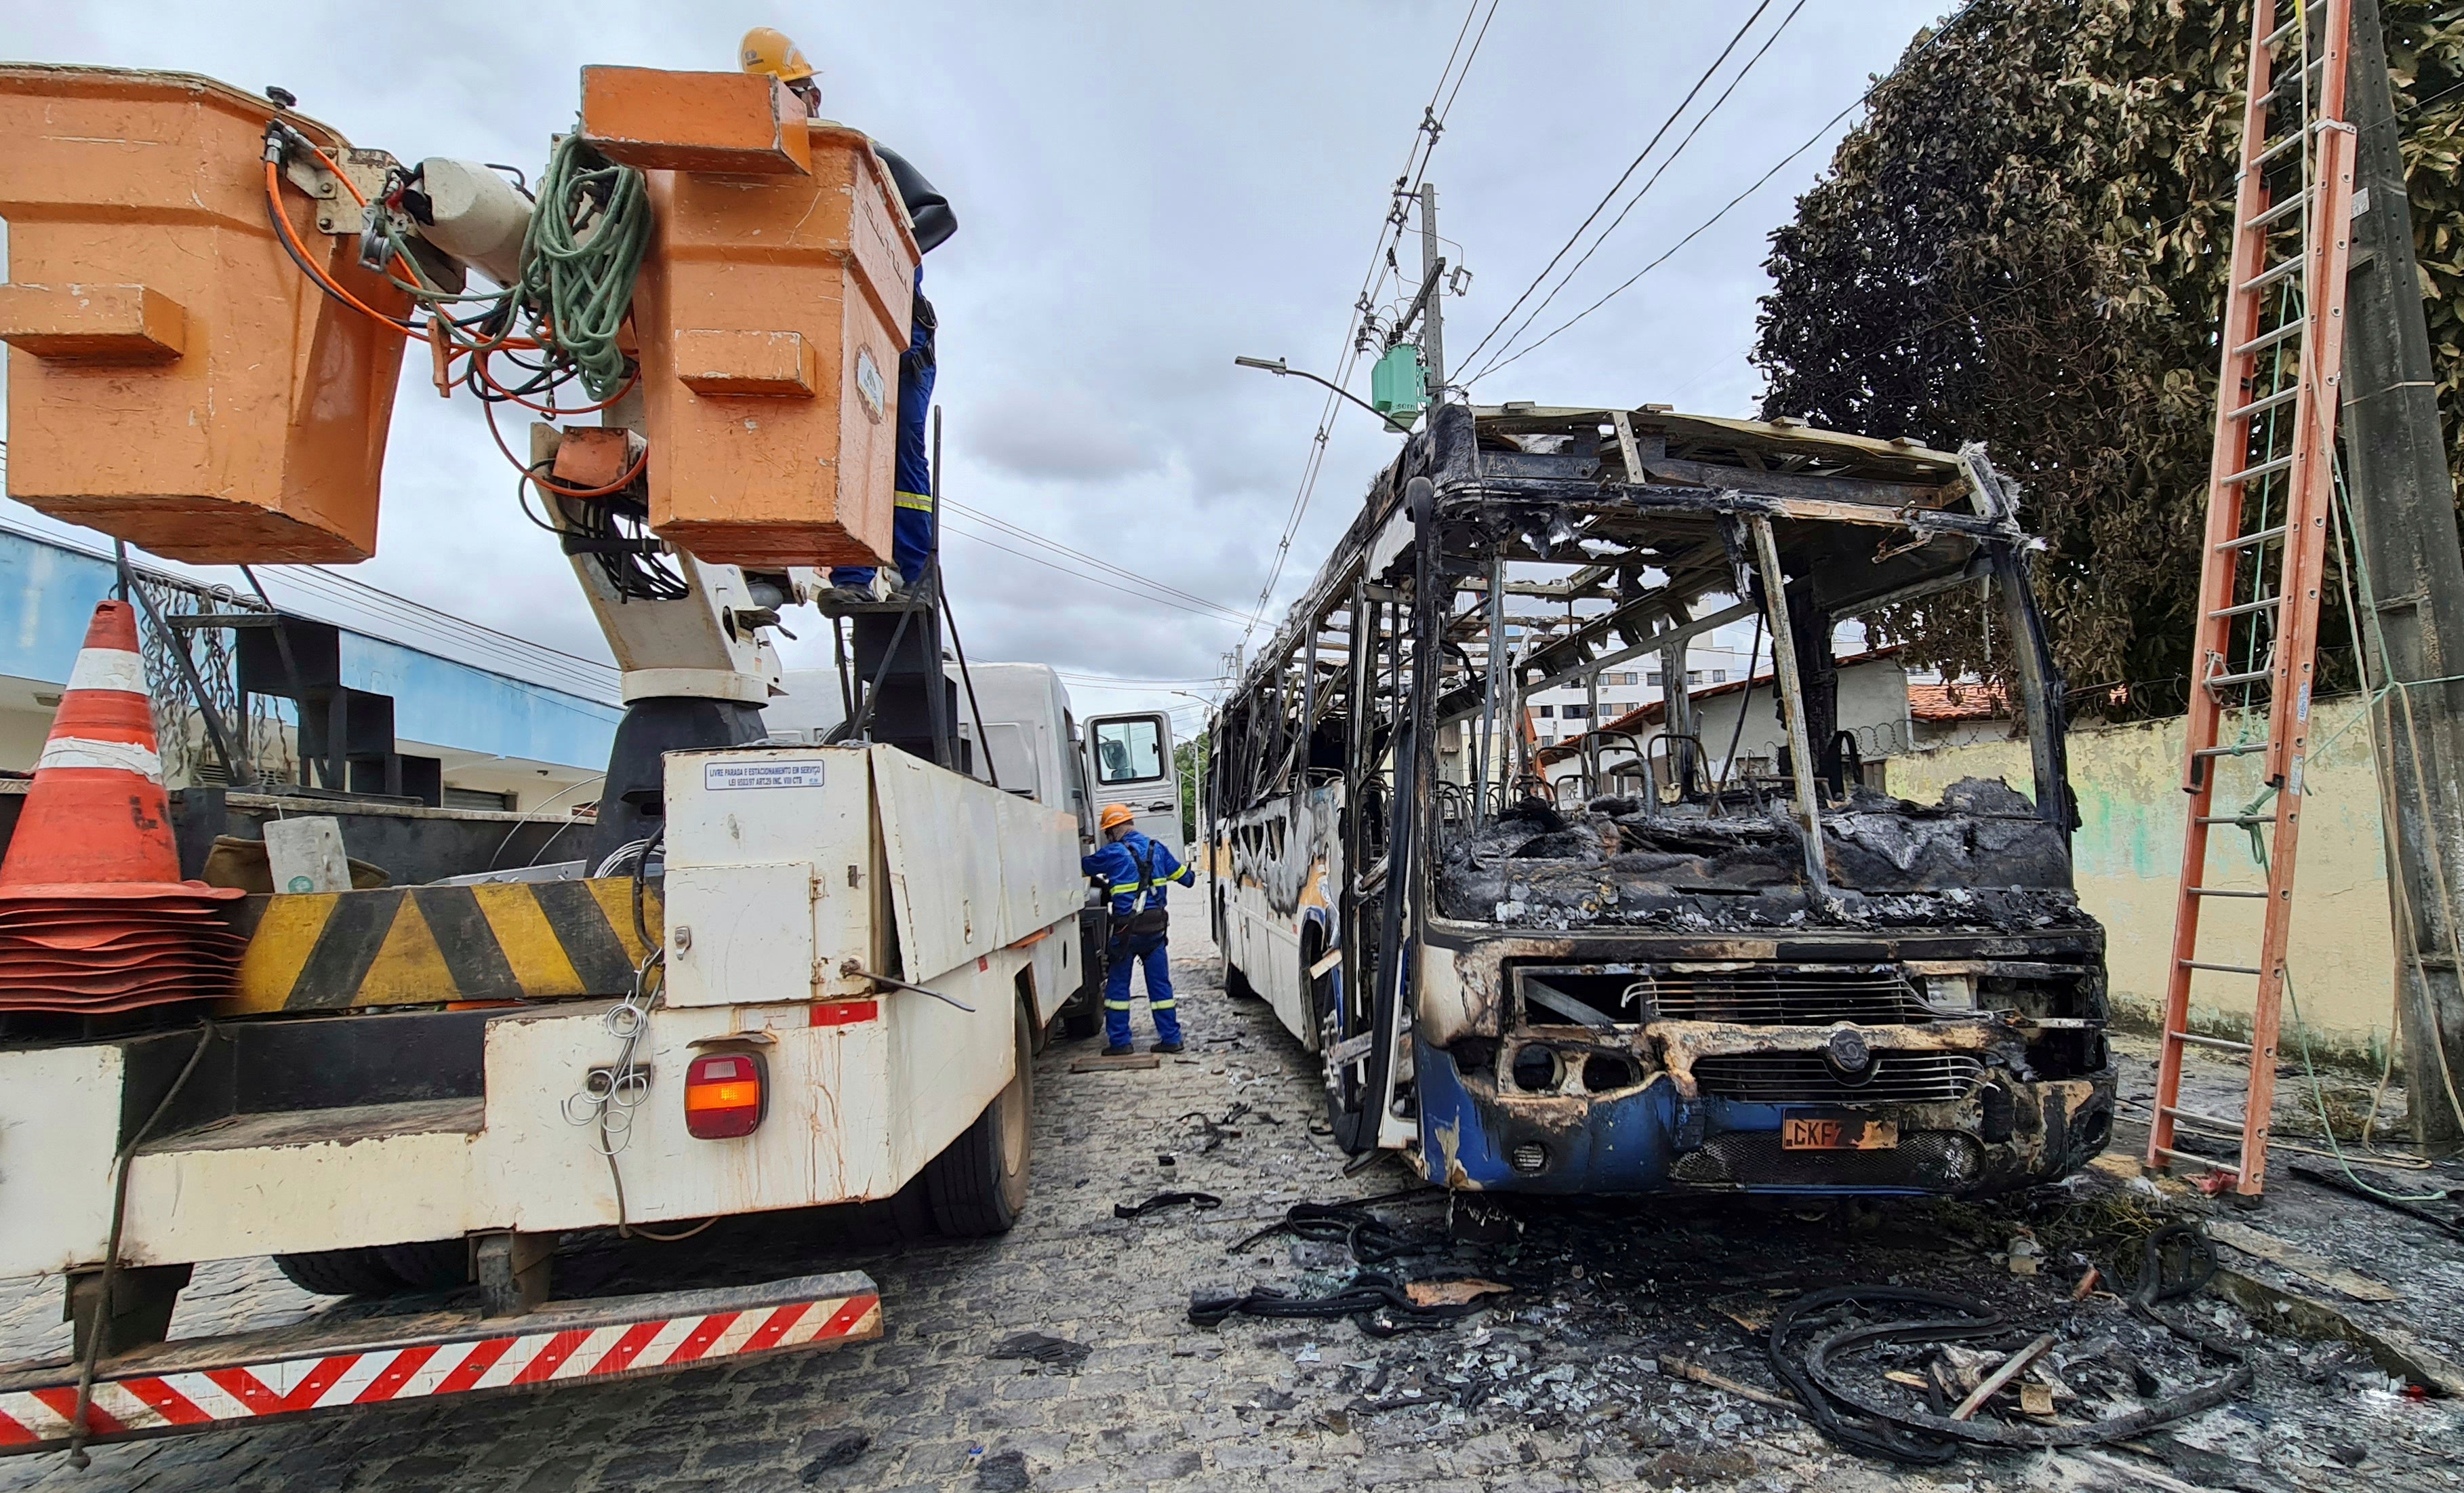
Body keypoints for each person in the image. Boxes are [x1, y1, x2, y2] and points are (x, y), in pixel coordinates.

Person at [740, 28, 954, 601]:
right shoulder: (754, 173)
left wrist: (878, 256)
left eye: (793, 94)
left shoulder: (852, 155)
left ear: (811, 97)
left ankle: (914, 573)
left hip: (893, 335)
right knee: (835, 447)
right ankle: (851, 577)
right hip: (818, 331)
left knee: (895, 449)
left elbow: (938, 215)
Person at [1082, 803, 1195, 1055]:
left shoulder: (1112, 853)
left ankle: (1121, 1043)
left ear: (1112, 831)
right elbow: (1187, 880)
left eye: (1107, 833)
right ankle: (1172, 1039)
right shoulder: (1158, 849)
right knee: (1161, 988)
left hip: (1126, 934)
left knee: (1118, 988)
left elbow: (1084, 866)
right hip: (1155, 932)